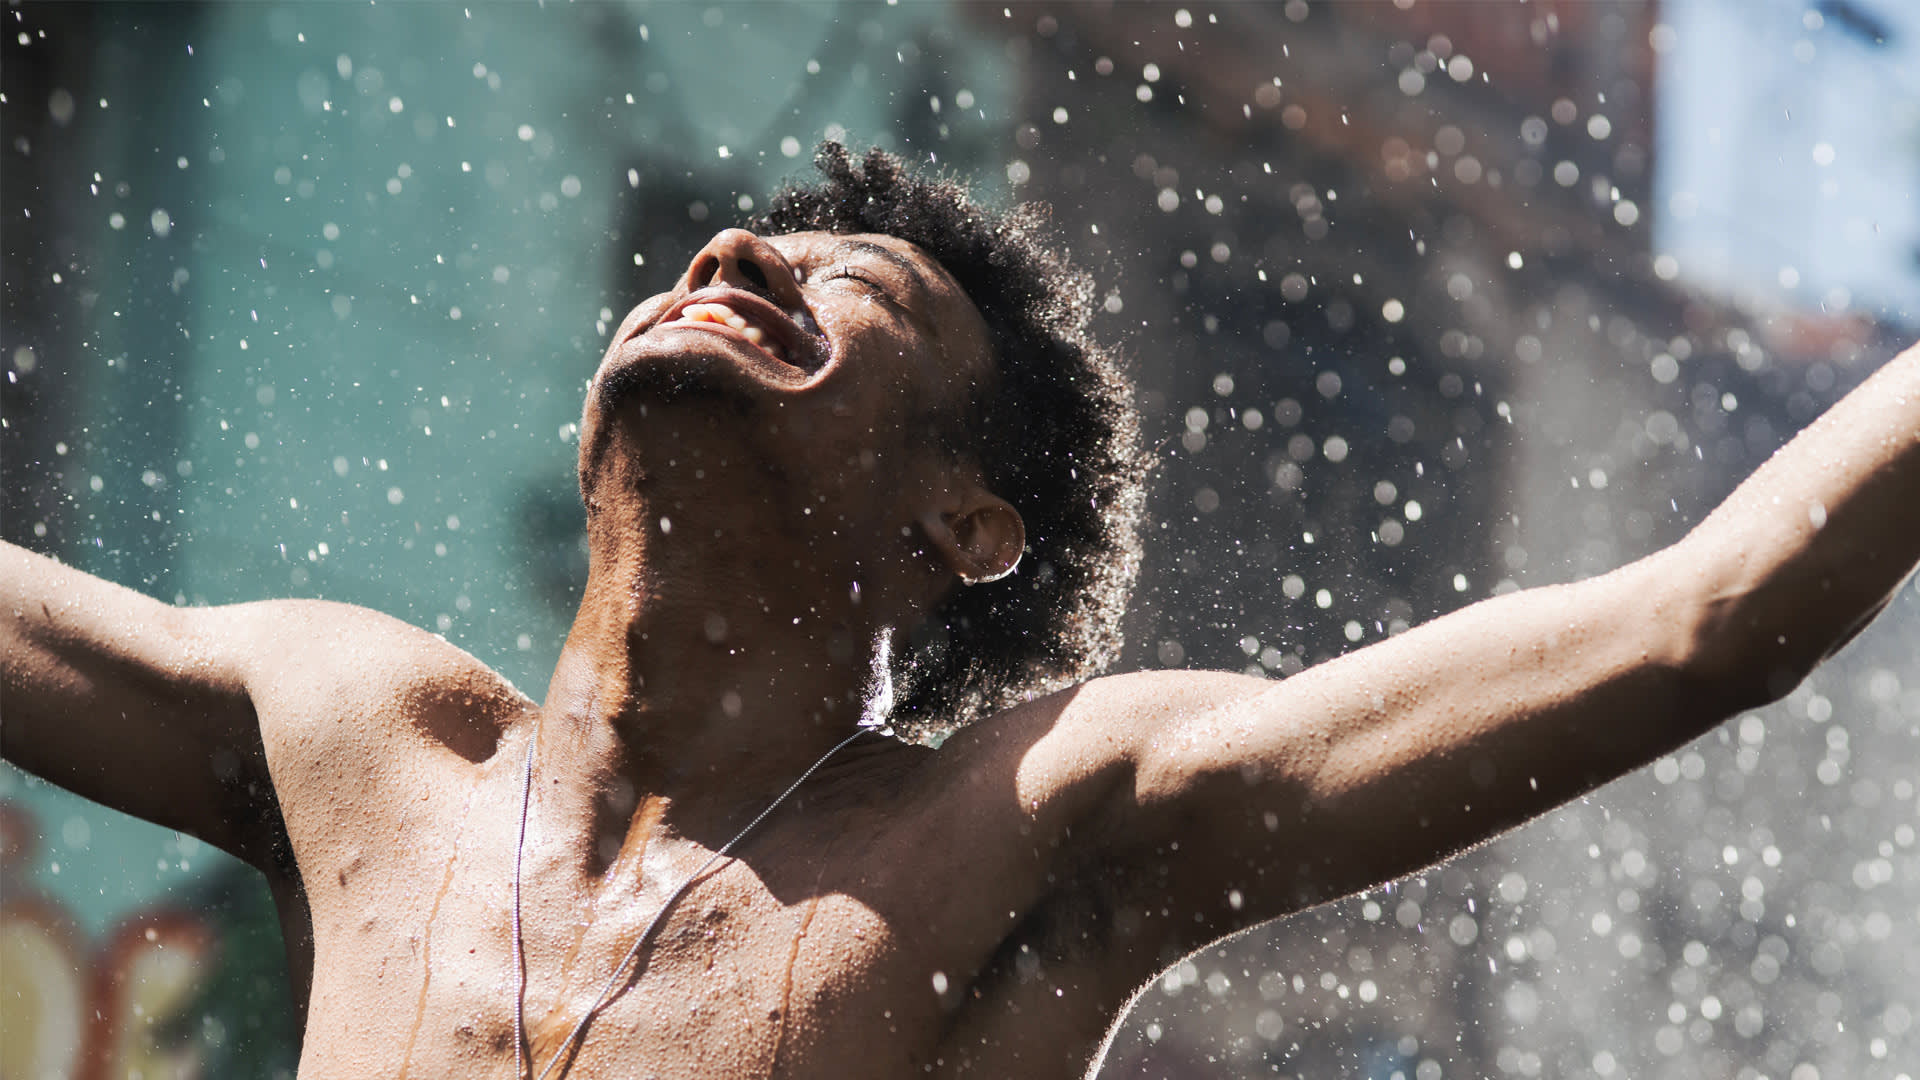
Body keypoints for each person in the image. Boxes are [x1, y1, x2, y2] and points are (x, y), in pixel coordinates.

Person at [3, 143, 1916, 1080]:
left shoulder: (1019, 835)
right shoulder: (360, 738)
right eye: (732, 244)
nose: (733, 251)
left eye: (857, 295)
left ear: (966, 527)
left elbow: (1709, 618)